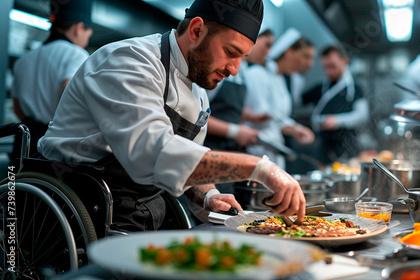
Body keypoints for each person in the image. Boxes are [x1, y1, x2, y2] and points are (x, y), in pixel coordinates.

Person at [37, 0, 306, 231]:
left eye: (242, 58)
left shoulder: (198, 91)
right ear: (197, 30)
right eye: (230, 52)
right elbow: (151, 153)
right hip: (82, 205)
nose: (234, 69)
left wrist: (209, 195)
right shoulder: (130, 60)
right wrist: (259, 167)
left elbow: (186, 161)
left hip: (143, 211)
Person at [10, 0, 93, 166]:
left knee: (17, 187)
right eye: (88, 35)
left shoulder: (24, 59)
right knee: (45, 189)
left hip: (22, 140)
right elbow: (68, 95)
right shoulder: (77, 54)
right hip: (52, 144)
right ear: (78, 28)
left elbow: (16, 105)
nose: (86, 40)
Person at [244, 28, 315, 169]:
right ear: (289, 52)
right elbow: (262, 118)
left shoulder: (280, 79)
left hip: (274, 153)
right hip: (256, 152)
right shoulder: (258, 74)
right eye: (305, 56)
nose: (309, 63)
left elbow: (279, 119)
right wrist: (289, 126)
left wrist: (296, 129)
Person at [204, 30, 275, 153]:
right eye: (266, 45)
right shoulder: (220, 67)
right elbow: (195, 115)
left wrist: (249, 117)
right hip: (207, 146)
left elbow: (226, 110)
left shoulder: (244, 72)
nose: (268, 52)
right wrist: (235, 131)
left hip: (228, 148)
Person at [302, 45, 369, 164]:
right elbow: (297, 100)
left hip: (348, 147)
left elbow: (362, 115)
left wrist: (336, 121)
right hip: (324, 148)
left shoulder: (355, 88)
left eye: (332, 66)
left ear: (344, 61)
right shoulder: (320, 87)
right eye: (326, 67)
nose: (329, 71)